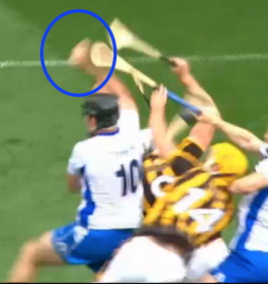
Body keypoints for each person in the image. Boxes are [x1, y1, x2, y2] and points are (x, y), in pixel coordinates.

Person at [6, 39, 144, 282]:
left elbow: (73, 186)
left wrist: (88, 66)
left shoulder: (84, 150)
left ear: (92, 120)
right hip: (131, 234)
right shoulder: (133, 134)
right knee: (103, 276)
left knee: (31, 252)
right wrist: (90, 67)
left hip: (95, 233)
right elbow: (123, 94)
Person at [95, 88, 248, 283]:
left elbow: (161, 141)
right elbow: (194, 130)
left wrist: (159, 111)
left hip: (151, 244)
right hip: (197, 250)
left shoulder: (140, 172)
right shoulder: (217, 195)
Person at [139, 59, 230, 282]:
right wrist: (186, 78)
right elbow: (210, 116)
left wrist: (159, 117)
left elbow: (160, 139)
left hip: (163, 251)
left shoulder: (139, 171)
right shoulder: (184, 161)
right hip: (200, 243)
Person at [199, 111, 268, 283]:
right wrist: (216, 122)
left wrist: (208, 175)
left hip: (252, 253)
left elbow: (243, 186)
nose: (267, 136)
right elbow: (249, 141)